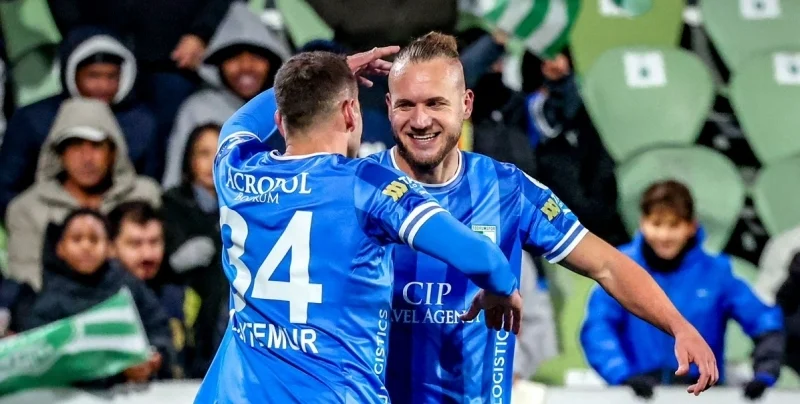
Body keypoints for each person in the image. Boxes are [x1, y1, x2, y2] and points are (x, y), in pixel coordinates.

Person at [365, 32, 718, 403]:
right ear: (388, 106)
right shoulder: (357, 186)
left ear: (466, 104)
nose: (420, 120)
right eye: (406, 105)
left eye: (436, 103)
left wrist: (678, 325)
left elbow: (607, 265)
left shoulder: (508, 190)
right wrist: (335, 72)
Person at [195, 48, 522, 403]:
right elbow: (480, 257)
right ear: (351, 112)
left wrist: (318, 79)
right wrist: (502, 287)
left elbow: (238, 124)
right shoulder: (366, 184)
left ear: (279, 120)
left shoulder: (235, 169)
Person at [581, 180, 785, 400]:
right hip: (637, 394)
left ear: (691, 226)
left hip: (702, 394)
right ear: (642, 223)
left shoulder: (716, 273)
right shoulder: (620, 267)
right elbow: (598, 328)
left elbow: (764, 320)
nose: (664, 235)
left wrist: (765, 372)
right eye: (656, 224)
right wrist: (620, 373)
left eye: (674, 225)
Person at [0, 27, 159, 220]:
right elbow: (6, 186)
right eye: (93, 76)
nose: (103, 86)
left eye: (111, 77)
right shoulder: (33, 120)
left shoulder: (142, 123)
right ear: (72, 73)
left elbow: (145, 185)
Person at [4, 98, 161, 291]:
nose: (87, 158)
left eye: (96, 145)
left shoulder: (144, 195)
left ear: (113, 151)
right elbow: (27, 281)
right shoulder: (26, 209)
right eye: (76, 145)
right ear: (59, 153)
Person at [20, 208, 172, 385]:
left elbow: (158, 328)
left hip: (135, 389)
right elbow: (38, 356)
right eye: (77, 239)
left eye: (94, 239)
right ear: (60, 248)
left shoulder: (129, 286)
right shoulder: (48, 299)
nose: (86, 247)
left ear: (110, 248)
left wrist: (153, 356)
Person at [162, 2, 290, 189]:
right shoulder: (197, 110)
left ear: (273, 62)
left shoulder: (291, 110)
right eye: (234, 58)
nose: (246, 66)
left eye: (256, 57)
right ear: (218, 64)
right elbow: (173, 182)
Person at [163, 123, 228, 377]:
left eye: (219, 153)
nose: (211, 162)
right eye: (203, 153)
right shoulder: (171, 204)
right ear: (189, 159)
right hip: (185, 314)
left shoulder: (247, 206)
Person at [108, 201, 189, 378]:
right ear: (110, 248)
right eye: (135, 244)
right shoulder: (97, 299)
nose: (148, 255)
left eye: (154, 242)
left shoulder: (180, 296)